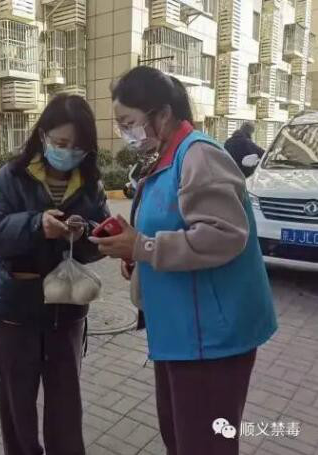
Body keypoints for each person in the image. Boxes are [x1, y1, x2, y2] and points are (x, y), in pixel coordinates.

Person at [90, 66, 277, 455]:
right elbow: (168, 230)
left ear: (163, 114)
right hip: (181, 335)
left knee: (203, 445)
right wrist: (135, 254)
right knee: (181, 439)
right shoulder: (166, 159)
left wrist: (144, 247)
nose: (125, 133)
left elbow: (224, 235)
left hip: (211, 342)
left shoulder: (199, 156)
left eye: (129, 123)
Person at [0, 94, 110, 455]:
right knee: (17, 405)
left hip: (67, 311)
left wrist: (85, 233)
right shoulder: (11, 177)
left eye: (77, 147)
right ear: (43, 135)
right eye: (61, 143)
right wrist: (36, 225)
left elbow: (101, 238)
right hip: (15, 310)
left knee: (66, 405)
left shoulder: (90, 184)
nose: (68, 153)